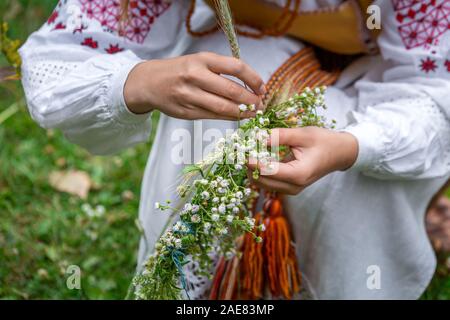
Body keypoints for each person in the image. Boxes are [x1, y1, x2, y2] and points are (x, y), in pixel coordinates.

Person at [19, 0, 450, 299]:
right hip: (241, 56)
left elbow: (435, 93)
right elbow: (57, 64)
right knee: (213, 110)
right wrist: (140, 81)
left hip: (382, 90)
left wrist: (355, 146)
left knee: (341, 183)